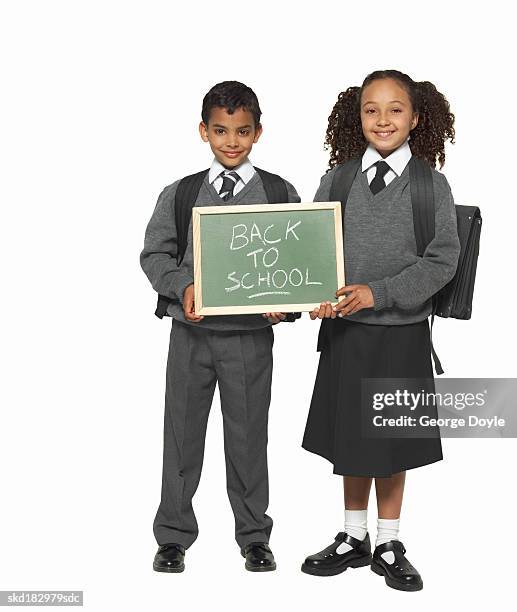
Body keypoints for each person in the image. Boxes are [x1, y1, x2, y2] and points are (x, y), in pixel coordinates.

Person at [300, 70, 460, 591]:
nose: (383, 119)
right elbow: (313, 249)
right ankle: (353, 536)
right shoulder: (337, 180)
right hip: (347, 333)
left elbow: (441, 261)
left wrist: (379, 292)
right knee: (352, 436)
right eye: (372, 109)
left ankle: (389, 540)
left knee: (390, 440)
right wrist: (315, 295)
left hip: (401, 332)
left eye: (395, 109)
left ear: (415, 118)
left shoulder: (430, 185)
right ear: (358, 116)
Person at [140, 80, 300, 574]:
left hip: (250, 339)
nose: (232, 141)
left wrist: (286, 304)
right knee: (181, 437)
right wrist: (183, 286)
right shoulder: (182, 192)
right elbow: (154, 254)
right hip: (191, 336)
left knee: (249, 439)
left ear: (258, 133)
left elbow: (299, 262)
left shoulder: (278, 193)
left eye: (243, 131)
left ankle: (254, 536)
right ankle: (172, 536)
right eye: (221, 130)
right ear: (204, 131)